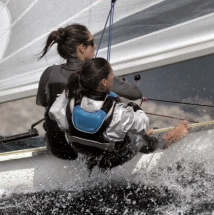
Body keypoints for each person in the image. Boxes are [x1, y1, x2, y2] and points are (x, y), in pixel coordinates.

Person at [48, 57, 190, 171]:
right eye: (112, 75)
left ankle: (92, 160)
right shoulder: (119, 112)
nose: (113, 77)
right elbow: (143, 124)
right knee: (139, 139)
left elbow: (54, 113)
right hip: (110, 160)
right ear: (104, 82)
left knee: (106, 134)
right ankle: (166, 140)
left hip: (84, 152)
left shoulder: (70, 102)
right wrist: (135, 108)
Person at [36, 24, 142, 160]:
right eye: (92, 43)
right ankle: (160, 142)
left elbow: (43, 102)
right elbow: (135, 94)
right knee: (134, 129)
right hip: (86, 150)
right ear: (82, 48)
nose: (95, 46)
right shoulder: (93, 74)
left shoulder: (49, 73)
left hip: (57, 149)